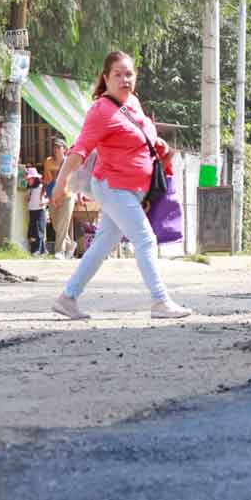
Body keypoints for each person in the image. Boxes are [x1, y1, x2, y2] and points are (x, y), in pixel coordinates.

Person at [49, 50, 191, 320]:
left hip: (134, 189)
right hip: (112, 186)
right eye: (118, 74)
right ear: (106, 78)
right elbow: (79, 150)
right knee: (145, 239)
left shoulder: (133, 103)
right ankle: (160, 301)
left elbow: (143, 135)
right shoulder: (101, 110)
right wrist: (60, 183)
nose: (124, 79)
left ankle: (67, 298)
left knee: (102, 245)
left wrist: (163, 149)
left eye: (129, 74)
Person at [42, 138, 77, 259]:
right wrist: (46, 194)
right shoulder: (48, 162)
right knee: (57, 224)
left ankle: (60, 251)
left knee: (62, 224)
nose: (56, 149)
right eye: (54, 147)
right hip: (53, 196)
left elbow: (75, 179)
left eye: (58, 147)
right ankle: (69, 245)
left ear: (65, 149)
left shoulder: (70, 162)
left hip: (67, 196)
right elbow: (47, 180)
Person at [25, 167, 47, 256]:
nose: (28, 181)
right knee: (33, 231)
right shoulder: (31, 189)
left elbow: (49, 197)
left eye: (29, 179)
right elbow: (28, 199)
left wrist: (44, 201)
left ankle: (37, 250)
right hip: (32, 211)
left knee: (39, 231)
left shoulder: (41, 187)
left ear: (34, 178)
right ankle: (42, 250)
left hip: (40, 211)